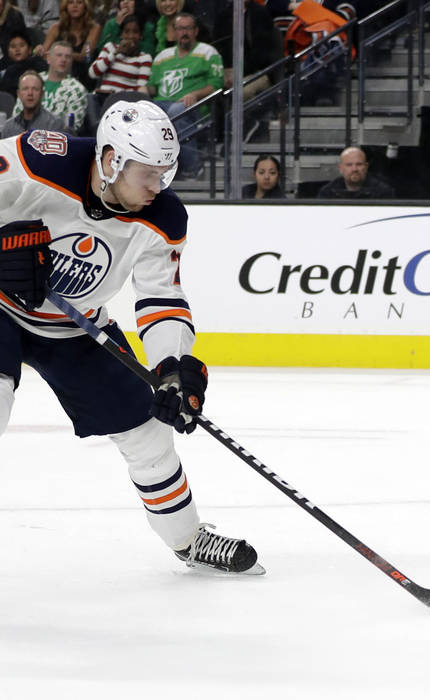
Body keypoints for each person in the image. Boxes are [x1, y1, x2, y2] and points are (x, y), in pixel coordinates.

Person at [0, 99, 262, 574]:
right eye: (149, 174)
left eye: (165, 173)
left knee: (148, 436)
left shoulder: (163, 217)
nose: (158, 186)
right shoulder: (39, 159)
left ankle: (188, 540)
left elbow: (161, 301)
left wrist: (172, 370)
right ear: (110, 160)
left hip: (75, 325)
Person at [144, 11, 222, 177]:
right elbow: (152, 88)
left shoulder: (208, 52)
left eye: (188, 28)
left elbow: (216, 85)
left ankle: (193, 168)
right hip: (162, 104)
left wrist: (195, 94)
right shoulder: (162, 57)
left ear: (196, 31)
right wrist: (140, 92)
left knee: (176, 111)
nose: (184, 33)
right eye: (180, 29)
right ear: (174, 31)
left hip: (195, 108)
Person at [86, 12, 151, 129]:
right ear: (121, 34)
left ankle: (101, 128)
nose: (130, 36)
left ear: (140, 35)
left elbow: (140, 90)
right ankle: (97, 128)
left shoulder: (144, 58)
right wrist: (115, 53)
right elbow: (93, 73)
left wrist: (116, 93)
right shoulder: (110, 48)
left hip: (122, 102)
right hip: (101, 97)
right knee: (90, 97)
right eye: (127, 32)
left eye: (135, 32)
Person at [13, 39, 87, 132]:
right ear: (48, 58)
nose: (63, 60)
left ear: (71, 61)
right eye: (59, 55)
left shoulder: (77, 89)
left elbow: (72, 127)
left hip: (55, 139)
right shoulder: (33, 80)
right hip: (23, 134)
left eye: (68, 57)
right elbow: (17, 114)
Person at [36, 0, 101, 87]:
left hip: (84, 74)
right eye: (70, 2)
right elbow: (44, 53)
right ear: (65, 7)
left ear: (85, 7)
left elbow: (85, 56)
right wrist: (38, 50)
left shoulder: (94, 28)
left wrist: (59, 55)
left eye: (79, 2)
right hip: (59, 72)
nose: (75, 5)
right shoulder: (56, 28)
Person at [0, 69, 65, 135]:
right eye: (25, 89)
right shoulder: (8, 127)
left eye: (35, 89)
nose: (30, 93)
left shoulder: (54, 125)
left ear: (42, 94)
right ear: (18, 94)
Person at [316, 146, 394, 199]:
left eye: (359, 164)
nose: (354, 169)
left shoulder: (383, 192)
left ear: (366, 167)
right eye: (349, 165)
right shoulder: (328, 192)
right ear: (341, 168)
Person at [0, 28, 48, 96]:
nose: (17, 49)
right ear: (8, 51)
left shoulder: (39, 64)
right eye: (13, 46)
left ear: (30, 50)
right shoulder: (6, 69)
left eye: (21, 45)